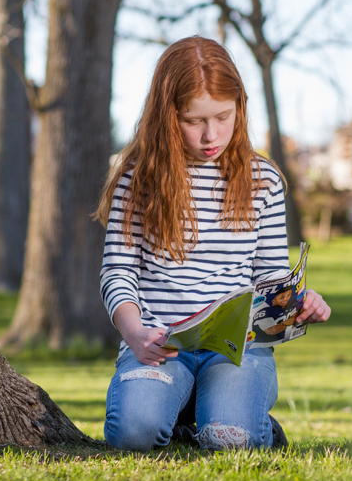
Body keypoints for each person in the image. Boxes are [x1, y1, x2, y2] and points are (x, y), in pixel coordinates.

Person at [96, 36, 330, 452]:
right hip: (159, 345)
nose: (211, 135)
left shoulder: (264, 181)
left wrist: (299, 303)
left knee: (230, 440)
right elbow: (118, 271)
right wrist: (134, 333)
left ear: (240, 107)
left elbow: (271, 276)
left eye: (223, 117)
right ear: (167, 116)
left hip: (237, 350)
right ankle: (186, 408)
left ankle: (231, 415)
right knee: (134, 435)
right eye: (193, 120)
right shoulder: (136, 179)